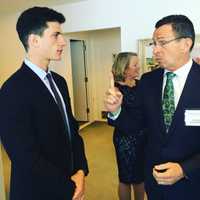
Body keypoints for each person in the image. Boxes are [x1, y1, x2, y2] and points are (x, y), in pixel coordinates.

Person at [105, 14, 200, 200]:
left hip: (193, 183)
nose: (155, 50)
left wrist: (185, 169)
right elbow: (135, 123)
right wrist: (116, 110)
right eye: (153, 44)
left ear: (186, 44)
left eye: (162, 43)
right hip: (154, 181)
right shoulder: (148, 81)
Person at [0, 7, 88, 200]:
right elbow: (24, 156)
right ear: (34, 40)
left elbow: (72, 130)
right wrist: (68, 186)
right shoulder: (12, 90)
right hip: (38, 191)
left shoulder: (59, 81)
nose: (63, 42)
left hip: (70, 181)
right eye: (55, 35)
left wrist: (81, 170)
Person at [108, 52, 145, 200]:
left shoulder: (141, 84)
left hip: (144, 138)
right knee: (125, 178)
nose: (139, 67)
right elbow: (113, 119)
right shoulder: (115, 91)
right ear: (124, 69)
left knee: (140, 177)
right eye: (135, 65)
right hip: (126, 141)